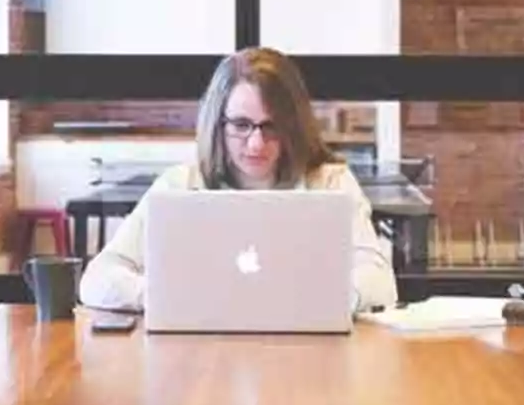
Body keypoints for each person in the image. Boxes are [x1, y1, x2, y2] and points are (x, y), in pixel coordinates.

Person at [78, 46, 398, 313]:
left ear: (293, 126)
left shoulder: (331, 185)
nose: (256, 144)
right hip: (198, 360)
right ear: (218, 124)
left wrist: (329, 301)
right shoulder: (180, 186)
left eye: (271, 127)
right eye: (242, 125)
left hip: (306, 357)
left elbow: (381, 282)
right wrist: (161, 296)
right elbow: (97, 279)